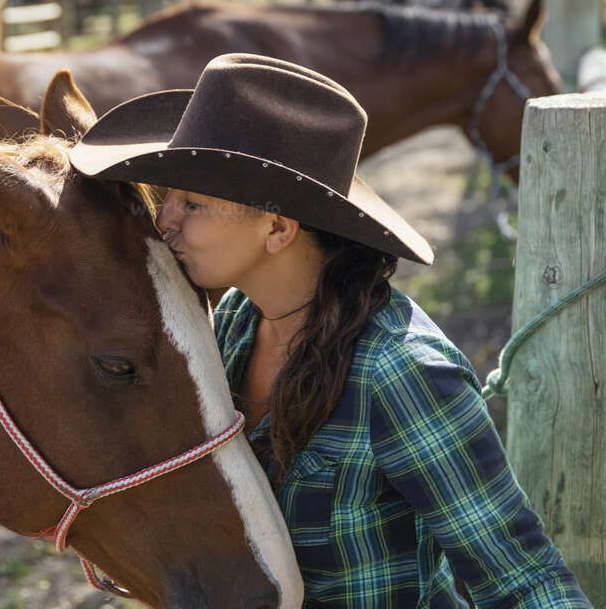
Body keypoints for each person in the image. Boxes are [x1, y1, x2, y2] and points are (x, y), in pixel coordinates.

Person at [70, 53, 592, 608]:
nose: (165, 219)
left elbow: (522, 578)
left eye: (192, 202)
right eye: (168, 197)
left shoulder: (402, 373)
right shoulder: (232, 326)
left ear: (277, 228)